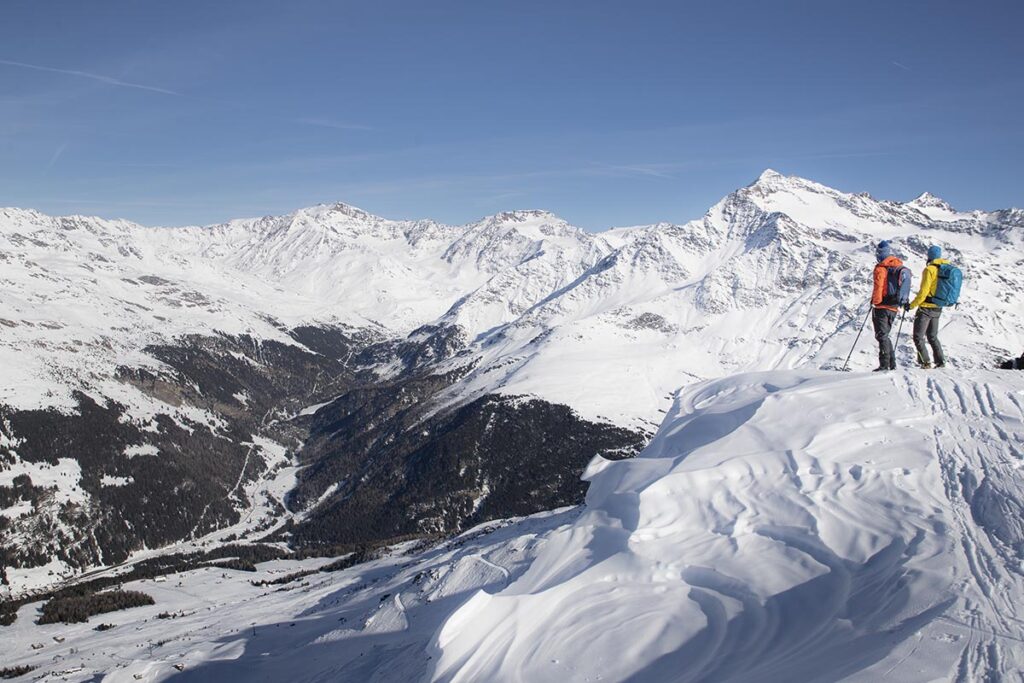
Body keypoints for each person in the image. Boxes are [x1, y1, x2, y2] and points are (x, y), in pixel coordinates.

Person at [906, 245, 949, 369]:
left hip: (925, 308)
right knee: (932, 336)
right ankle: (940, 362)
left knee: (918, 337)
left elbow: (923, 292)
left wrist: (912, 305)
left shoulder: (929, 270)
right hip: (938, 307)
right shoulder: (944, 269)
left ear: (929, 256)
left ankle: (925, 362)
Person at [870, 240, 906, 372]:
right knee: (885, 335)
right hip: (894, 306)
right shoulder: (896, 266)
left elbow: (879, 286)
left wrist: (876, 301)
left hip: (882, 306)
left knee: (881, 335)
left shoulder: (881, 268)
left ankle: (885, 365)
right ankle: (892, 364)